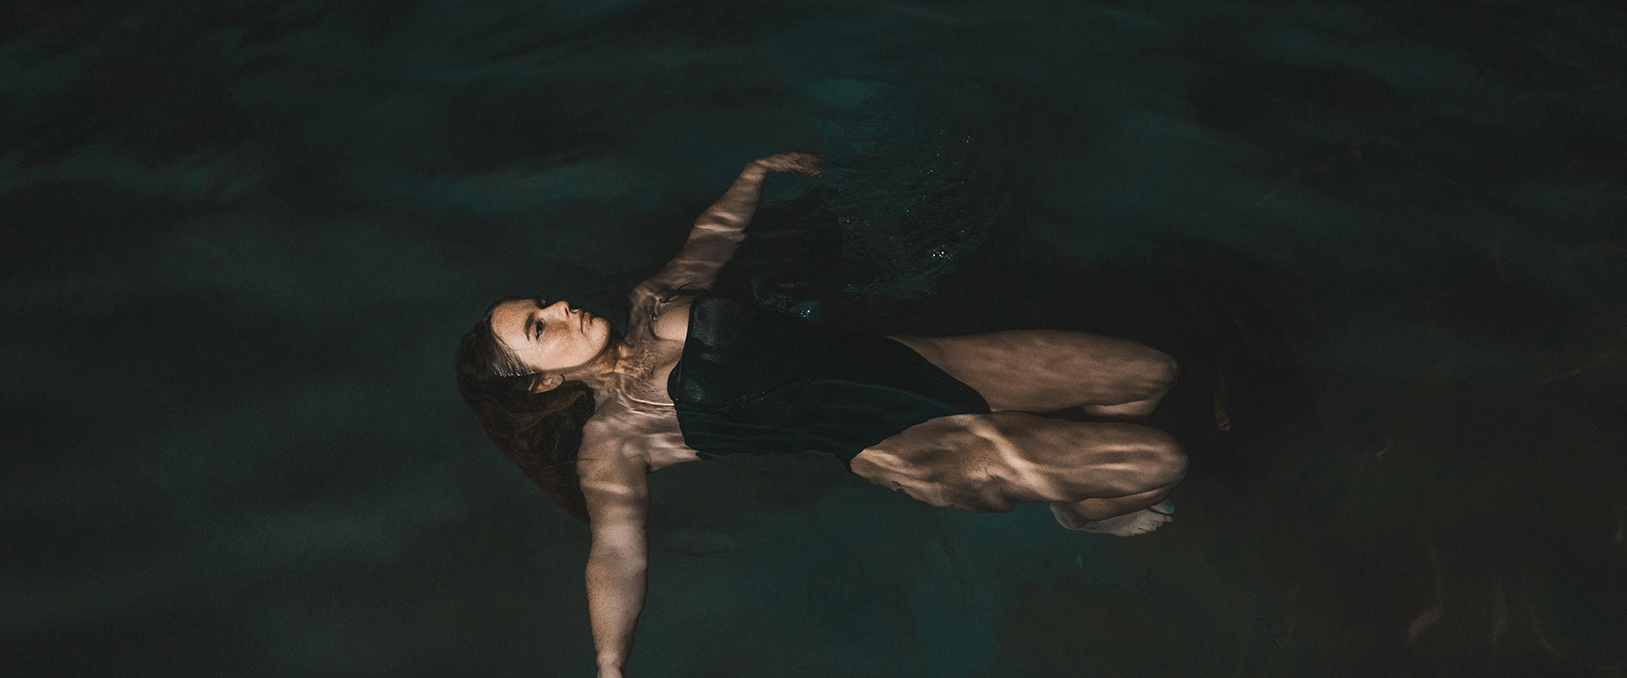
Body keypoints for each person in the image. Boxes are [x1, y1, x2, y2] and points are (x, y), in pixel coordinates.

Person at [454, 151, 1187, 678]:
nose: (560, 308)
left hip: (931, 361)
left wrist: (753, 176)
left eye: (543, 302)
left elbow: (709, 244)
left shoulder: (650, 304)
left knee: (1150, 376)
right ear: (540, 387)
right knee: (1161, 462)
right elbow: (616, 553)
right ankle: (1083, 512)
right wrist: (610, 666)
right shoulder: (614, 438)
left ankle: (1068, 493)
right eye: (540, 329)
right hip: (919, 444)